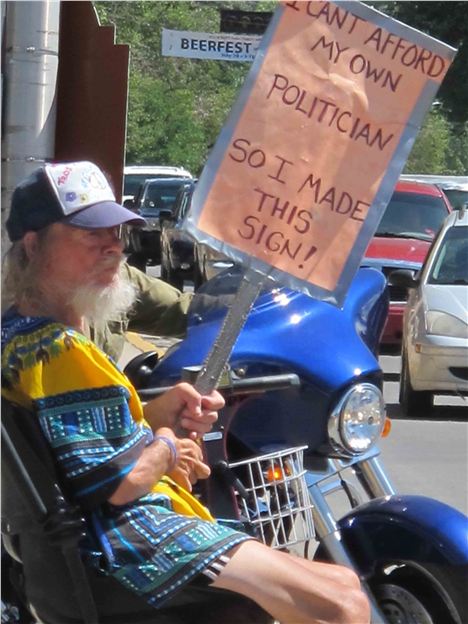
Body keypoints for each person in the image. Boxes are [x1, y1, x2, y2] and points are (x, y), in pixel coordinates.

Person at [1, 161, 370, 624]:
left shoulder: (16, 335)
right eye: (90, 234)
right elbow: (119, 484)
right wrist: (169, 446)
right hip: (129, 542)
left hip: (97, 543)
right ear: (33, 246)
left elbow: (80, 450)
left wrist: (158, 414)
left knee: (343, 582)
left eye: (116, 233)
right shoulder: (59, 350)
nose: (113, 247)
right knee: (341, 604)